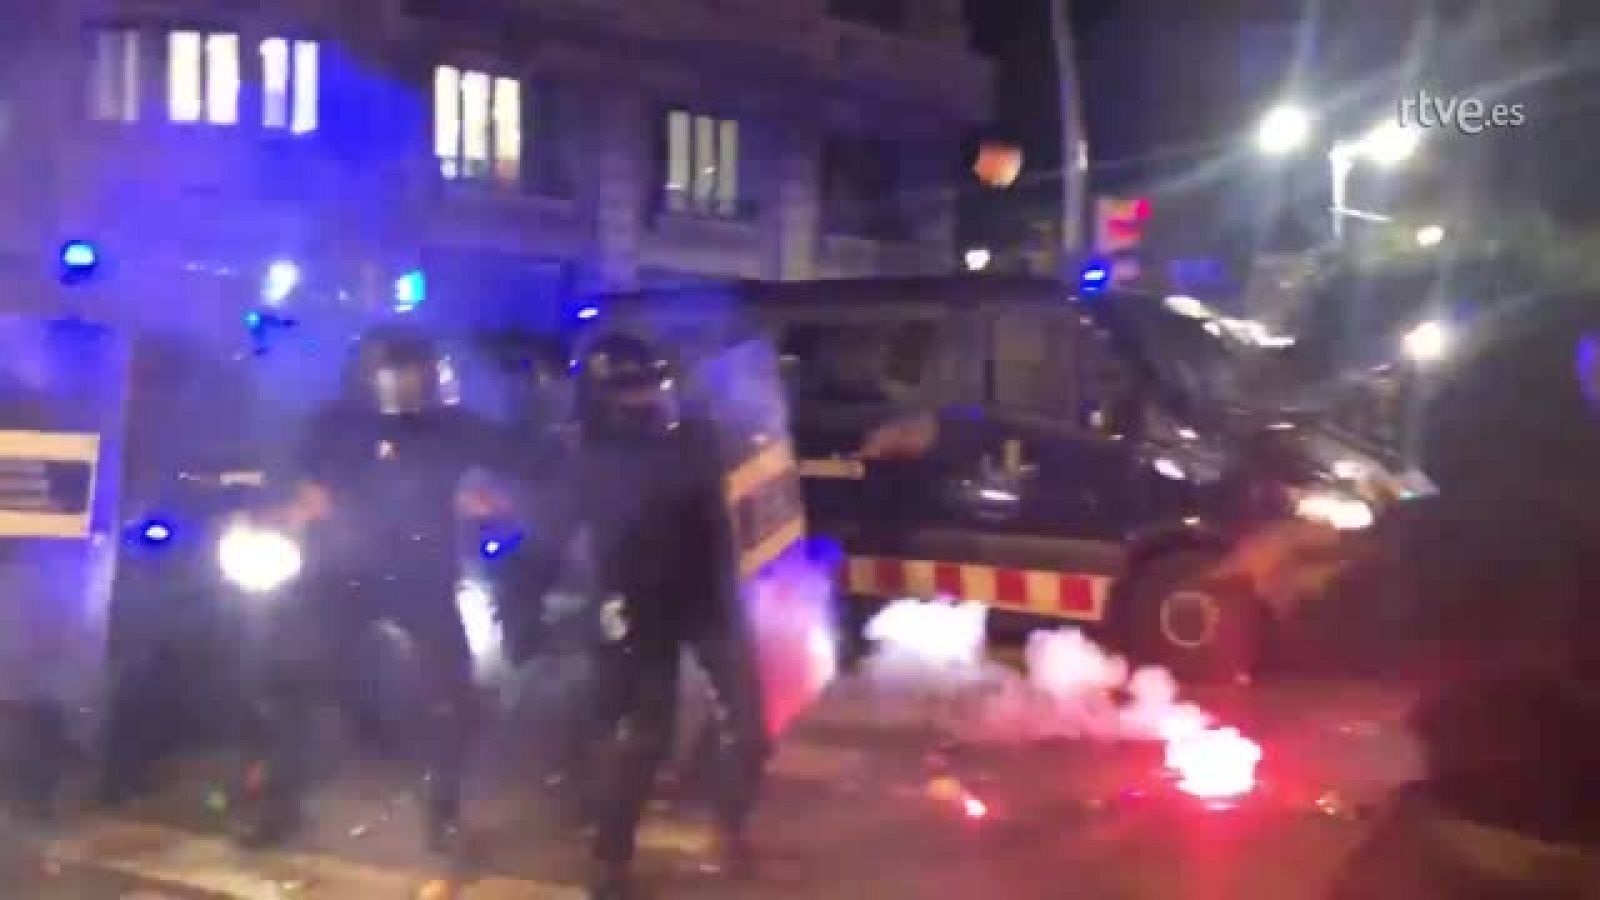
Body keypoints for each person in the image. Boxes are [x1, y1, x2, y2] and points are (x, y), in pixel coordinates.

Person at [242, 324, 520, 861]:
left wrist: (497, 498)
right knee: (297, 682)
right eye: (396, 373)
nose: (408, 384)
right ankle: (280, 804)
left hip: (423, 575)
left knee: (451, 695)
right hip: (342, 575)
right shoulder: (334, 424)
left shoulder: (452, 425)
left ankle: (443, 811)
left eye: (417, 372)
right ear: (367, 376)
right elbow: (296, 481)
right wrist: (292, 507)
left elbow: (521, 461)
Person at [568, 332, 769, 900]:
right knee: (645, 735)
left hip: (705, 596)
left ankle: (728, 825)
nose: (646, 396)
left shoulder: (691, 436)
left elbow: (734, 488)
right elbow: (571, 526)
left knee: (751, 723)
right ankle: (610, 857)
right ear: (602, 395)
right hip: (640, 604)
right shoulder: (590, 455)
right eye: (630, 388)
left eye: (651, 383)